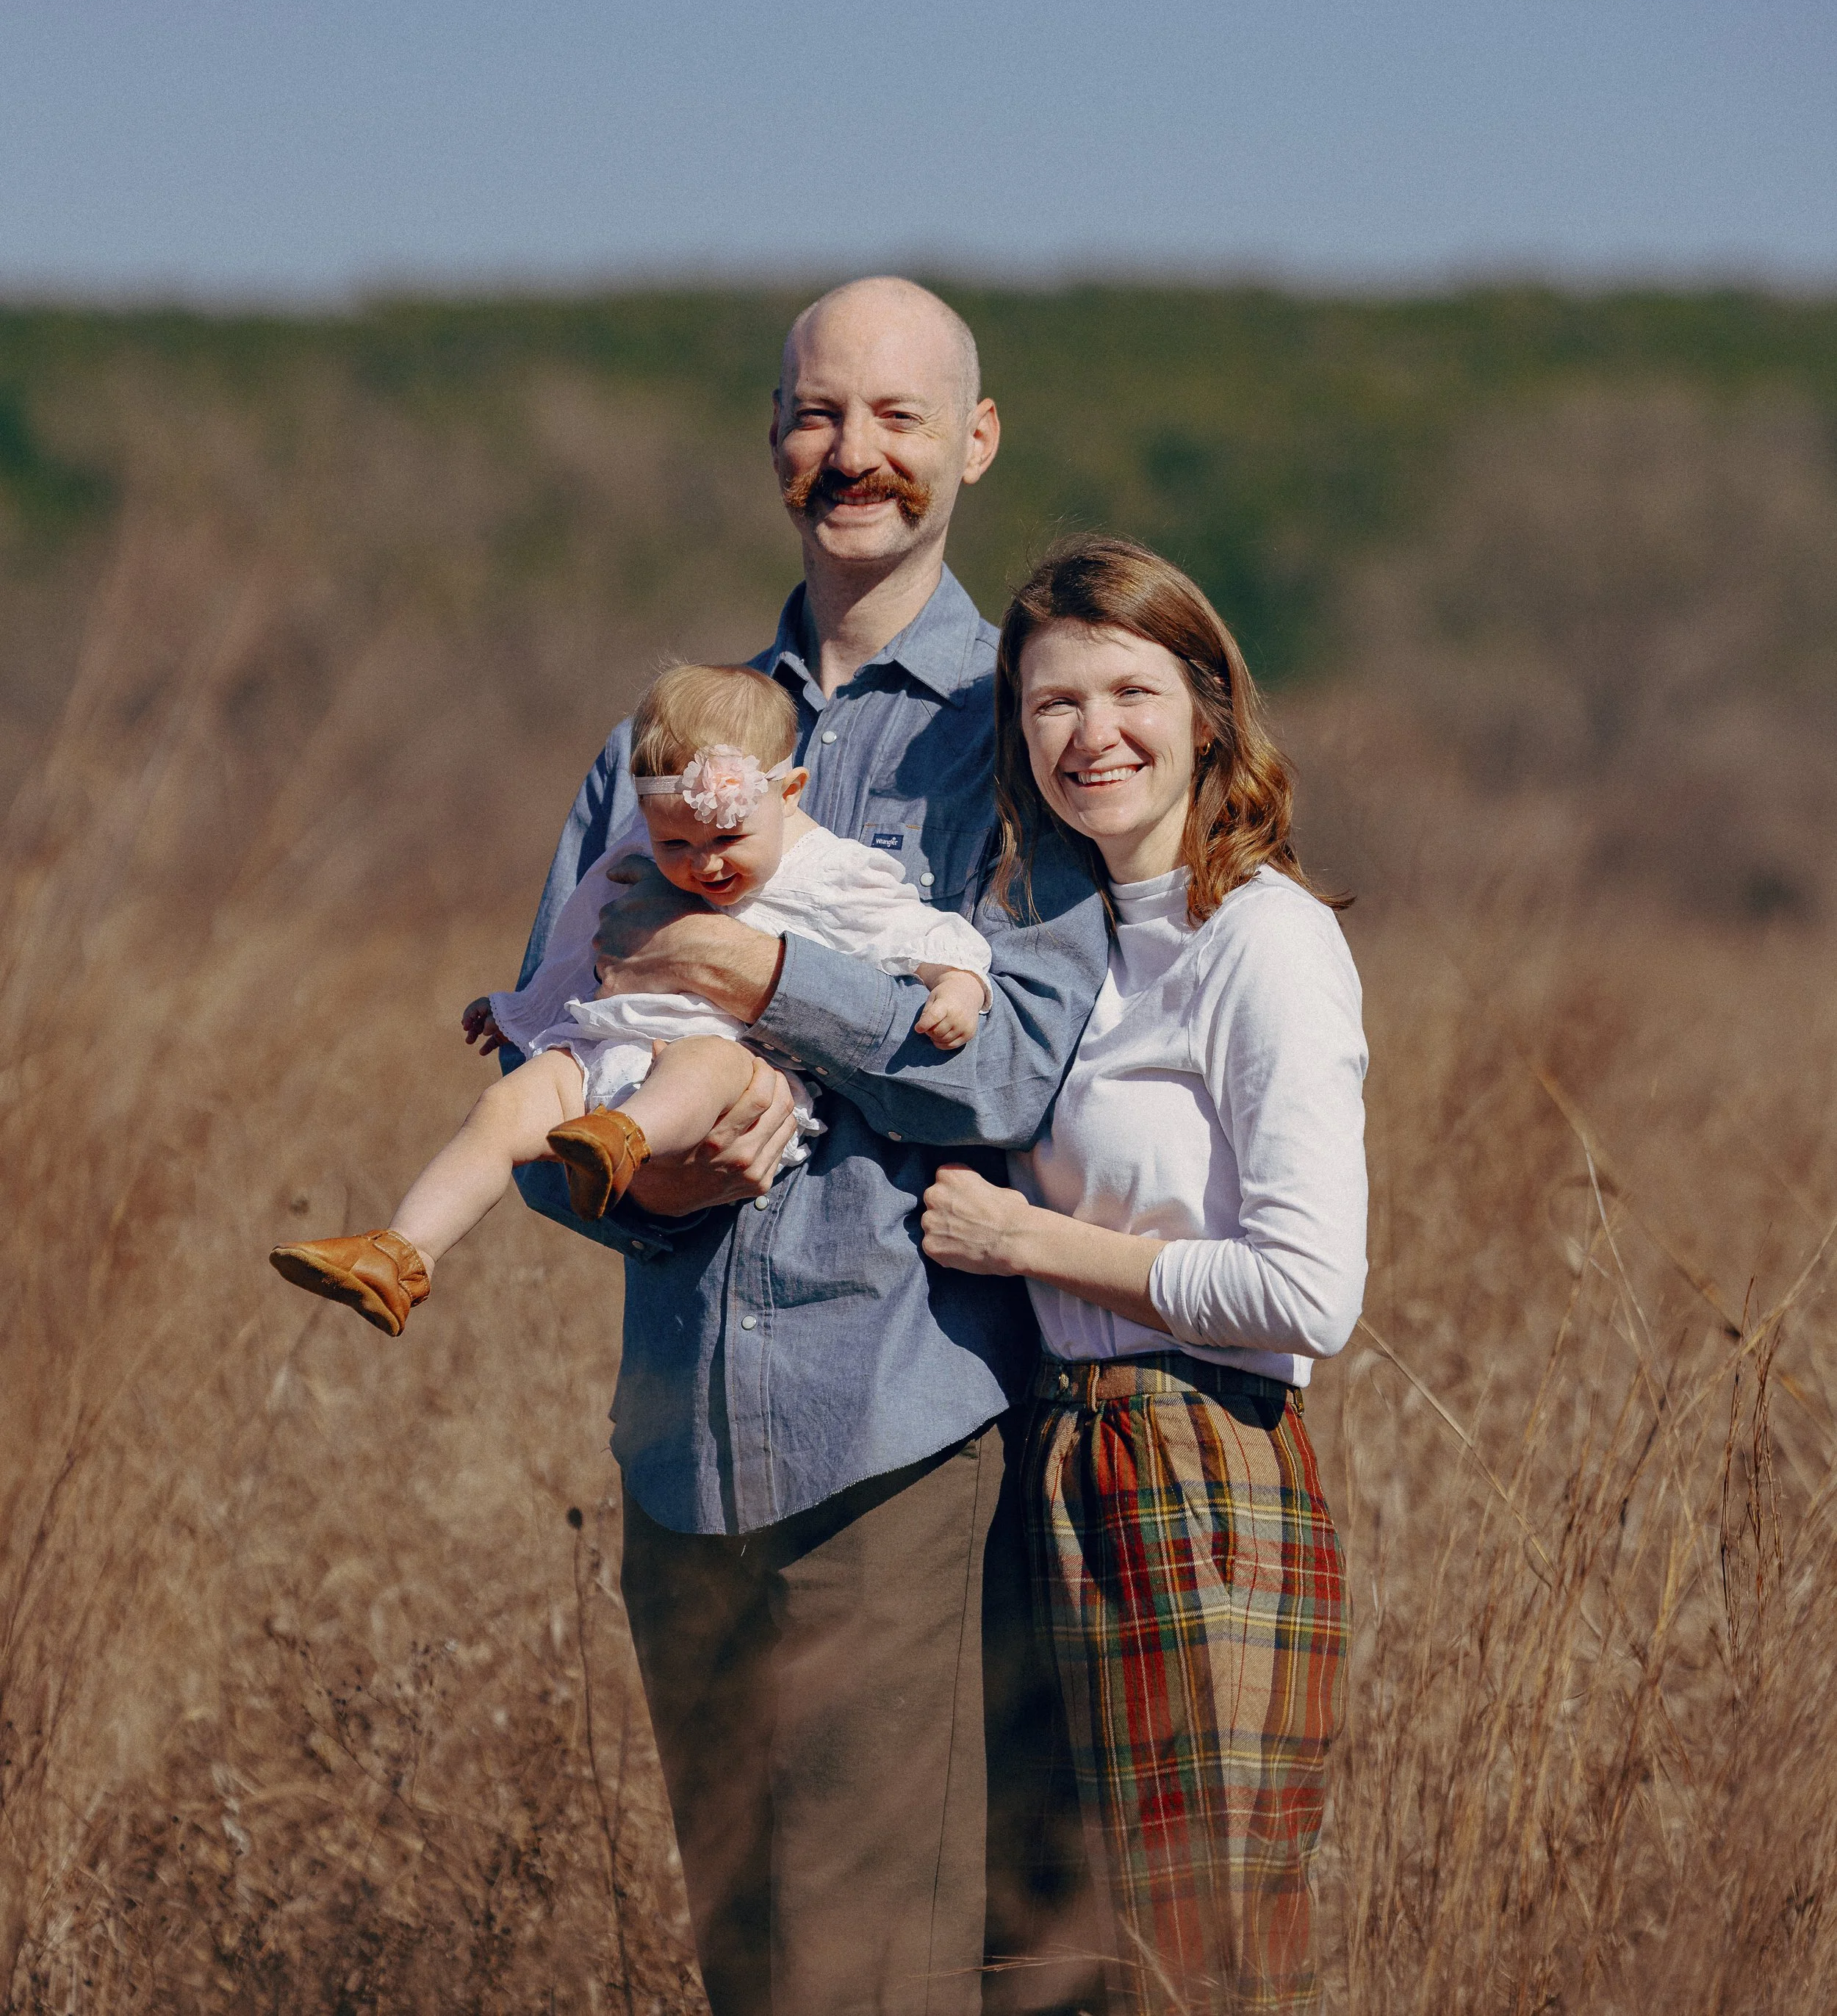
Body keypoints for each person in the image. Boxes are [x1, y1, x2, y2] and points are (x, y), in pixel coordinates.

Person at [510, 280, 1111, 2016]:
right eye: (818, 415)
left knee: (875, 1980)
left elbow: (1019, 1061)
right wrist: (636, 1180)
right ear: (774, 438)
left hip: (899, 1443)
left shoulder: (1024, 728)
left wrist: (776, 975)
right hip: (677, 1462)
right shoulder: (665, 738)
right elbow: (558, 1068)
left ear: (974, 443)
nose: (856, 454)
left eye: (901, 417)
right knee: (754, 1977)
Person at [919, 535, 1367, 2015]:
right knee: (1042, 1960)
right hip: (1047, 1457)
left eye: (1128, 689)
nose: (1090, 731)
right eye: (1051, 700)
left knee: (1193, 1957)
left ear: (1207, 712)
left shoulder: (1267, 940)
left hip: (1195, 1456)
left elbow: (1308, 1289)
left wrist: (1030, 1240)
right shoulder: (1054, 943)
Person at [267, 661, 993, 1335]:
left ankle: (621, 1138)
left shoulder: (830, 872)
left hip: (739, 1073)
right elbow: (579, 943)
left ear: (791, 792)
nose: (703, 863)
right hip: (612, 1042)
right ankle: (403, 1253)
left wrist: (957, 984)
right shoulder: (637, 860)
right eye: (676, 842)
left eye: (727, 836)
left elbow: (921, 930)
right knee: (503, 1107)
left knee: (700, 1061)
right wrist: (521, 1010)